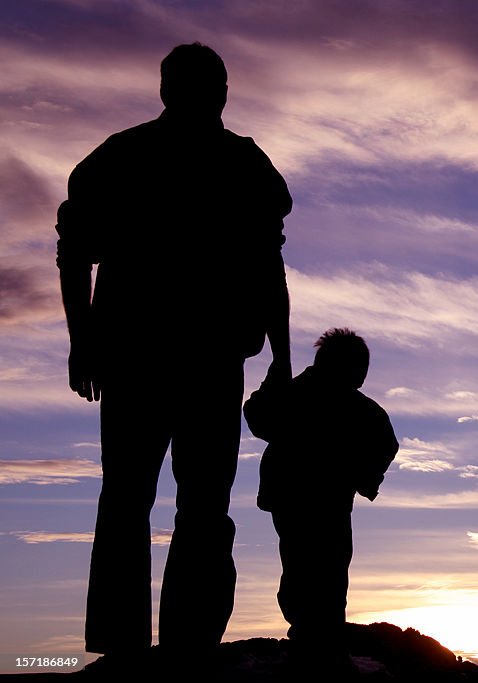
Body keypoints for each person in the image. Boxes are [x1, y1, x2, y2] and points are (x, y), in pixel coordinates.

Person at [55, 43, 292, 659]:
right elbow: (75, 249)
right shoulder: (137, 159)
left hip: (190, 359)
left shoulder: (228, 165)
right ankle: (145, 647)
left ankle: (175, 647)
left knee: (180, 502)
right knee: (152, 499)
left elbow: (271, 267)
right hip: (155, 357)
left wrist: (284, 360)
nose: (209, 96)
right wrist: (82, 340)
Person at [244, 328, 399, 653]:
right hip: (306, 497)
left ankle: (314, 631)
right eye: (359, 371)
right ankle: (312, 632)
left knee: (313, 564)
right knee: (318, 565)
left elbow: (258, 414)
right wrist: (364, 476)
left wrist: (363, 475)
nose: (360, 379)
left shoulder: (304, 394)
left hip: (307, 497)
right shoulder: (310, 395)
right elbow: (258, 416)